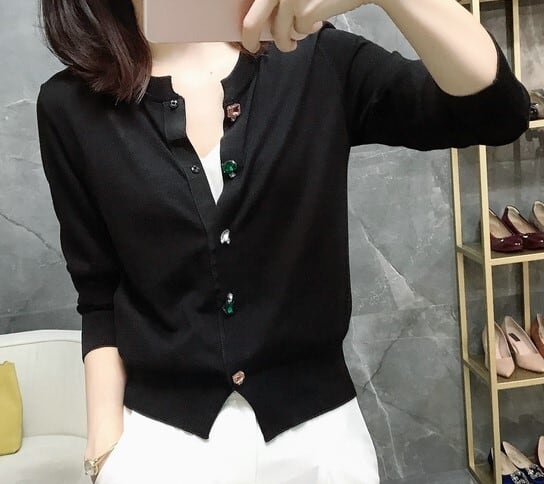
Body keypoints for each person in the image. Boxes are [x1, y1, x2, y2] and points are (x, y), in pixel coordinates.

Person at [35, 0, 529, 483]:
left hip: (319, 440)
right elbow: (98, 294)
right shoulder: (69, 106)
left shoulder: (314, 60)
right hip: (162, 443)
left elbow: (497, 112)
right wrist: (104, 450)